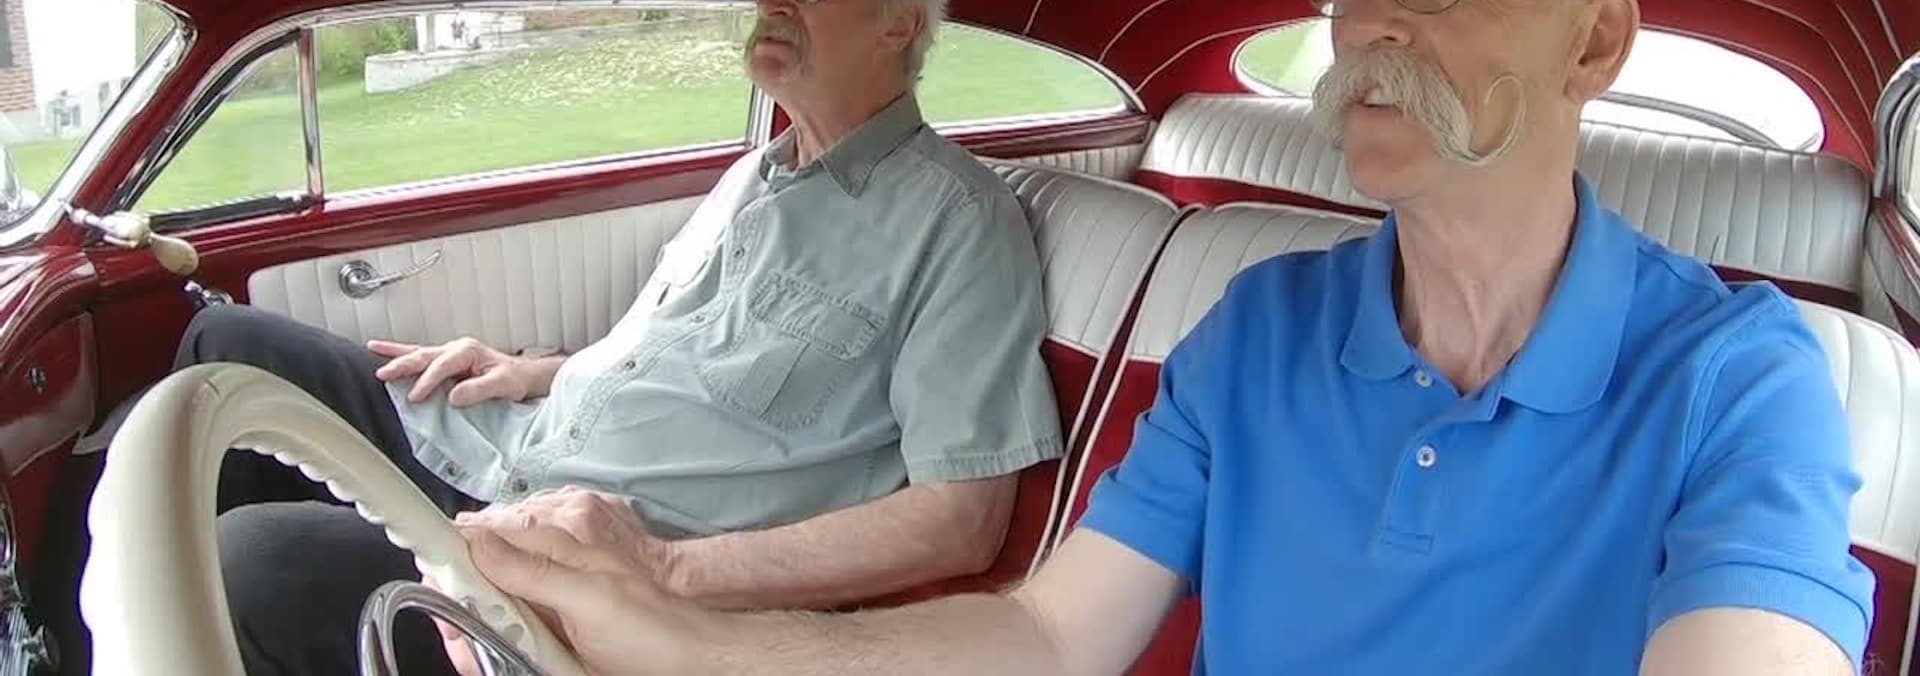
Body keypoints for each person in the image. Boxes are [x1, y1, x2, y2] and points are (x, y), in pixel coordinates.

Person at [442, 0, 1876, 673]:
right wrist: (673, 633)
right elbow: (1044, 632)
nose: (1373, 31)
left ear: (1594, 43)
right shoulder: (1262, 333)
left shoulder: (1742, 382)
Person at [177, 0, 1064, 672]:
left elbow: (961, 521)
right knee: (226, 346)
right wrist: (534, 370)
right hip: (509, 444)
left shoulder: (959, 224)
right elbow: (684, 351)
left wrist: (660, 569)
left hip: (579, 559)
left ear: (898, 21)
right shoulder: (753, 176)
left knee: (246, 562)